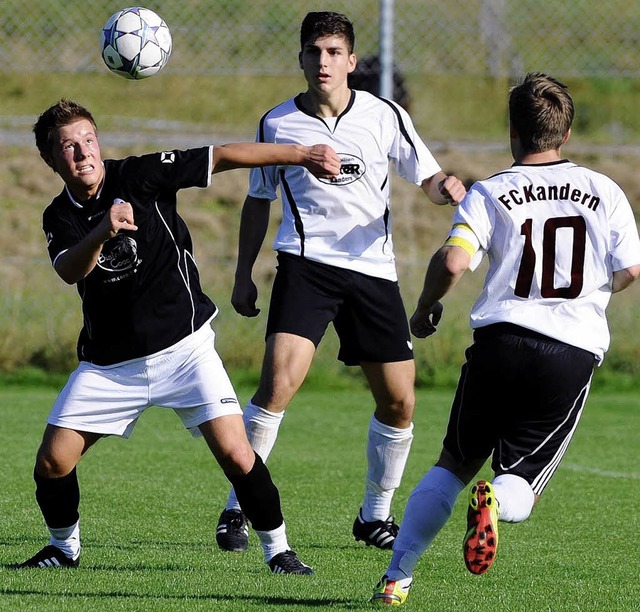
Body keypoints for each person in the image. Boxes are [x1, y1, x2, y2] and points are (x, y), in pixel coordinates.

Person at [14, 98, 341, 574]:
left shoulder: (140, 176)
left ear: (99, 141)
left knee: (237, 453)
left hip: (185, 351)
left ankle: (280, 551)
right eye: (68, 147)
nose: (83, 153)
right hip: (112, 366)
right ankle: (64, 549)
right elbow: (69, 269)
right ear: (51, 159)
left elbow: (223, 156)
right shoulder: (58, 216)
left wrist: (302, 154)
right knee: (52, 463)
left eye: (88, 140)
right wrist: (102, 233)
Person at [371, 72, 640, 605]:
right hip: (569, 351)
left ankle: (397, 579)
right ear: (564, 132)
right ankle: (493, 502)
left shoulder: (491, 191)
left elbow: (453, 260)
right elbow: (630, 268)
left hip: (499, 342)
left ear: (512, 129)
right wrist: (592, 294)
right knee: (522, 481)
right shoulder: (603, 190)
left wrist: (425, 307)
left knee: (452, 463)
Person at [214, 10, 466, 554]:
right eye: (314, 52)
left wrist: (445, 185)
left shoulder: (384, 115)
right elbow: (258, 201)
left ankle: (374, 515)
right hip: (305, 267)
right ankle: (238, 507)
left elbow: (425, 175)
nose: (323, 62)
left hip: (373, 272)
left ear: (351, 61)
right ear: (301, 58)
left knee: (400, 404)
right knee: (278, 387)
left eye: (333, 52)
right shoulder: (278, 123)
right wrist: (242, 276)